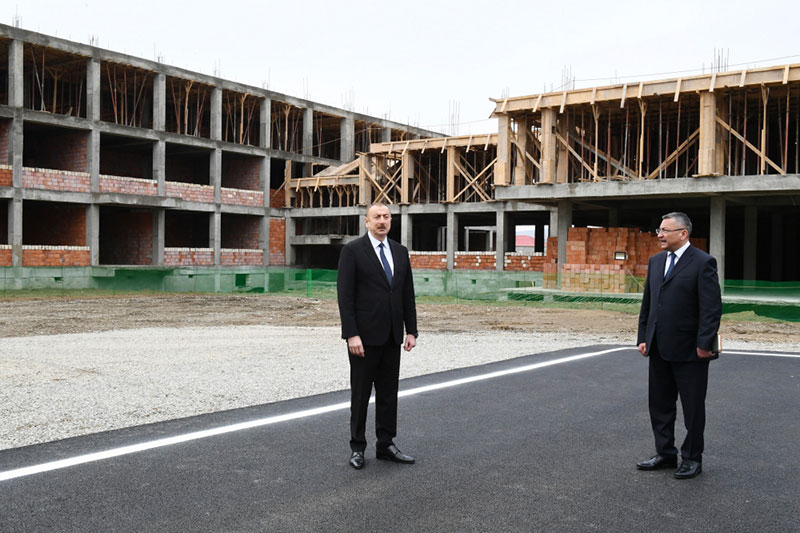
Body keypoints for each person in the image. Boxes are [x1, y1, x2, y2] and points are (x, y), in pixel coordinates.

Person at [636, 212, 722, 479]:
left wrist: (705, 343)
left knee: (692, 408)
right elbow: (648, 303)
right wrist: (643, 336)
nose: (660, 235)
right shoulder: (656, 261)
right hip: (659, 347)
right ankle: (665, 453)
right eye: (659, 230)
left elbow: (711, 308)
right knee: (660, 405)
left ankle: (692, 458)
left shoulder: (703, 262)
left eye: (665, 230)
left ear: (683, 233)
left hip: (690, 350)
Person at [337, 202, 418, 470]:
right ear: (367, 221)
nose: (382, 221)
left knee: (388, 393)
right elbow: (345, 297)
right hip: (363, 339)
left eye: (386, 216)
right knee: (361, 395)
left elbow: (406, 294)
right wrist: (351, 334)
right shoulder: (353, 251)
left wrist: (411, 330)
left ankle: (385, 444)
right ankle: (357, 447)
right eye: (376, 217)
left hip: (392, 335)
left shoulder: (400, 251)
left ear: (391, 220)